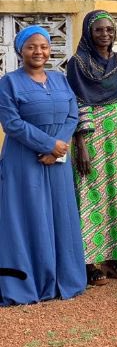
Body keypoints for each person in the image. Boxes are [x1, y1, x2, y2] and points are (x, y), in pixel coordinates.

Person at [0, 26, 86, 305]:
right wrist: (47, 144)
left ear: (50, 50)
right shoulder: (8, 83)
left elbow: (72, 115)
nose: (39, 52)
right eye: (31, 46)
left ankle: (63, 279)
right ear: (21, 51)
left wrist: (58, 147)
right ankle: (30, 283)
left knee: (60, 214)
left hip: (57, 161)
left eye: (44, 46)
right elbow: (12, 123)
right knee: (29, 216)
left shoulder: (60, 80)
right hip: (24, 161)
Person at [67, 10, 117, 287]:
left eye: (109, 29)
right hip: (90, 136)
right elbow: (76, 101)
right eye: (98, 29)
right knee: (90, 194)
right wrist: (81, 143)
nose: (105, 34)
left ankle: (112, 258)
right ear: (88, 32)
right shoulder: (77, 63)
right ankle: (87, 261)